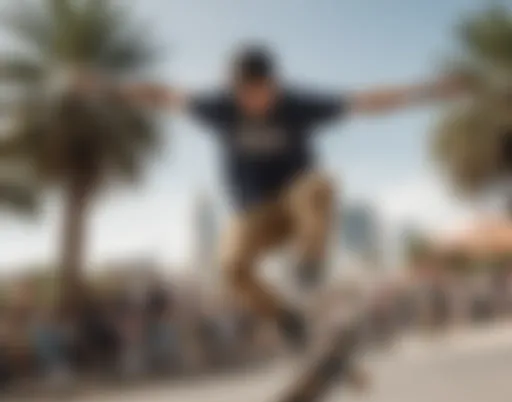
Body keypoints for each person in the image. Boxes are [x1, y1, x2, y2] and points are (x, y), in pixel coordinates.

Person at [77, 45, 468, 352]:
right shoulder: (218, 107)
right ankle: (286, 318)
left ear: (273, 84)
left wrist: (428, 91)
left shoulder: (298, 104)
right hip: (253, 213)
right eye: (243, 94)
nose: (252, 101)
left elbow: (365, 102)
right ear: (233, 89)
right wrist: (106, 87)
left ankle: (310, 261)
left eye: (259, 92)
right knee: (230, 267)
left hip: (298, 203)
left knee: (318, 185)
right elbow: (161, 95)